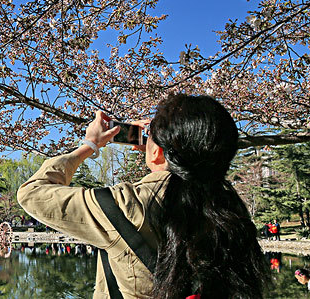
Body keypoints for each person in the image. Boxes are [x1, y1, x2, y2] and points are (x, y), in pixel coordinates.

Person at [18, 94, 269, 298]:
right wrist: (157, 155)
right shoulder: (229, 207)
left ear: (159, 152)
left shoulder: (127, 205)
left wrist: (90, 145)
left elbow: (32, 193)